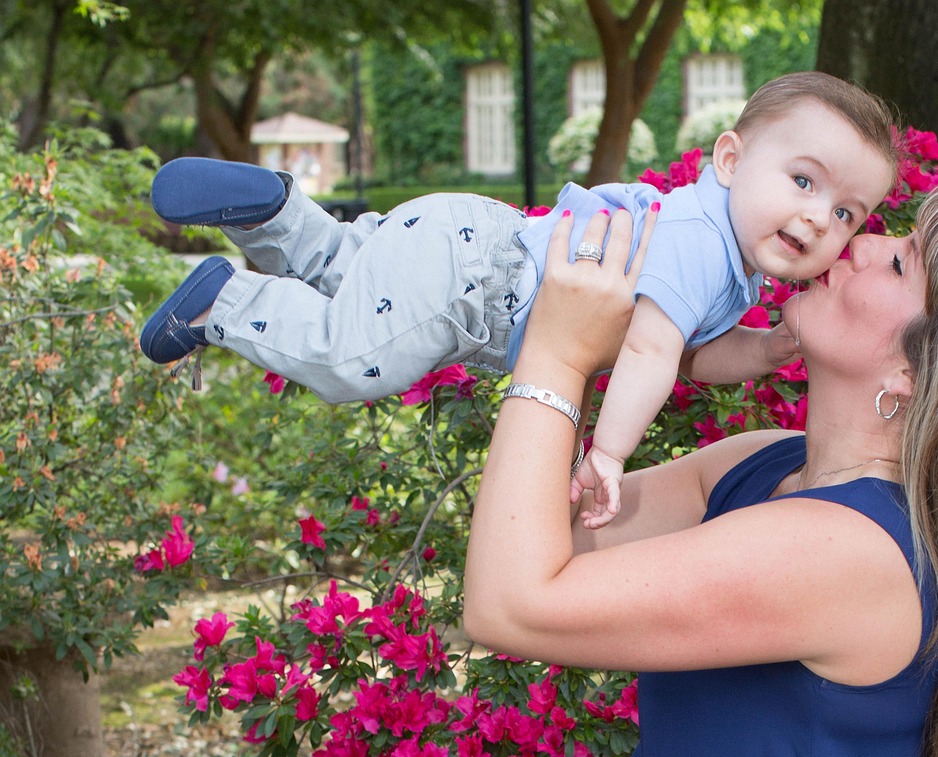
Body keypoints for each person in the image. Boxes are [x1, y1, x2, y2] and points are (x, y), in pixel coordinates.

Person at [463, 177, 938, 757]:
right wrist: (650, 327)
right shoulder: (763, 466)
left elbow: (509, 603)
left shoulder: (850, 552)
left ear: (918, 376)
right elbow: (529, 544)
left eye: (900, 261)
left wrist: (560, 351)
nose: (861, 242)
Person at [138, 72, 896, 527]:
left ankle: (279, 216)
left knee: (345, 271)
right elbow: (652, 349)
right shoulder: (701, 243)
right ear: (729, 159)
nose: (815, 217)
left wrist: (761, 349)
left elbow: (692, 355)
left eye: (845, 214)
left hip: (470, 238)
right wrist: (606, 452)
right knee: (349, 362)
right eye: (803, 180)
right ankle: (223, 304)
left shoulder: (720, 258)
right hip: (479, 286)